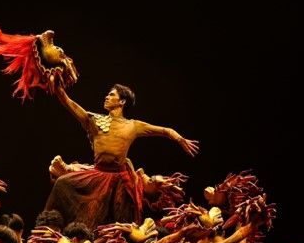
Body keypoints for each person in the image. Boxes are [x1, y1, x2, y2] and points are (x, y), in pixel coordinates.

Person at [45, 84, 199, 227]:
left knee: (119, 220)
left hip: (120, 179)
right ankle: (49, 224)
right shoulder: (94, 120)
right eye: (108, 94)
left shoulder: (133, 125)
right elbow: (69, 103)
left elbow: (165, 131)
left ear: (122, 102)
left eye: (111, 95)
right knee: (62, 183)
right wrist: (57, 87)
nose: (106, 97)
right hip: (98, 175)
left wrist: (180, 139)